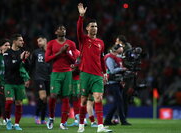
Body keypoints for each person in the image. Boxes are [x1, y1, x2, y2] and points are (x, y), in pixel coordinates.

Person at [77, 3, 112, 132]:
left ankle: (100, 126)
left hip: (97, 75)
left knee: (98, 98)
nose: (94, 28)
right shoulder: (83, 40)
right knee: (84, 100)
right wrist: (81, 16)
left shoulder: (100, 43)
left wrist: (105, 73)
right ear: (87, 28)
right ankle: (81, 125)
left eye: (96, 26)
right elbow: (78, 29)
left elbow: (102, 59)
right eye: (92, 26)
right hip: (85, 73)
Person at [45, 25, 77, 130]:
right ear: (56, 32)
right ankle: (51, 118)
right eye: (60, 29)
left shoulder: (71, 44)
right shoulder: (51, 43)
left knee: (66, 98)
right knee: (53, 95)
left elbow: (73, 60)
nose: (62, 30)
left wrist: (66, 52)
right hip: (55, 73)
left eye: (64, 29)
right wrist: (60, 52)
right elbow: (47, 59)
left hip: (67, 73)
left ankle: (63, 123)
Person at [3, 34, 30, 131]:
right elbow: (10, 67)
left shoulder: (22, 52)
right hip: (9, 81)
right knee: (9, 101)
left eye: (22, 40)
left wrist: (26, 60)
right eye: (20, 40)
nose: (22, 42)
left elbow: (27, 67)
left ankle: (17, 124)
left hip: (20, 82)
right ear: (14, 41)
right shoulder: (7, 53)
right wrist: (20, 59)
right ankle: (8, 121)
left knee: (19, 103)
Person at [104, 44, 131, 126]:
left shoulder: (118, 57)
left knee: (117, 102)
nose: (122, 48)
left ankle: (107, 120)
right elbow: (111, 70)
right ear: (116, 49)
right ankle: (123, 121)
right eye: (121, 47)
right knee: (119, 102)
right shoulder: (109, 57)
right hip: (112, 82)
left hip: (117, 82)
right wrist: (122, 69)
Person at [30, 36, 51, 124]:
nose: (38, 43)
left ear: (45, 41)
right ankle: (36, 116)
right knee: (43, 97)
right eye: (37, 41)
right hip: (39, 78)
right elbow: (32, 65)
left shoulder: (51, 51)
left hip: (49, 78)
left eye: (40, 41)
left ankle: (42, 119)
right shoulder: (35, 52)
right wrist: (30, 77)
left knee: (46, 100)